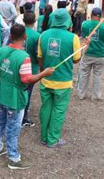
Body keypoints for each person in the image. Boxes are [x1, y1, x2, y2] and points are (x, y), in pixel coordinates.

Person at [0, 24, 54, 170]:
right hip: (15, 98)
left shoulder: (1, 50)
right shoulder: (24, 57)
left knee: (0, 121)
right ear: (25, 37)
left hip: (1, 93)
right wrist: (43, 74)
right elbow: (27, 80)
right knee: (13, 128)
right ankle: (13, 158)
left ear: (10, 36)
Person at [38, 9, 81, 148]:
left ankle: (44, 137)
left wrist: (42, 72)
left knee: (45, 108)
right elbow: (76, 60)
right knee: (58, 111)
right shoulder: (73, 38)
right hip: (63, 82)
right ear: (67, 21)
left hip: (45, 79)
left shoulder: (43, 35)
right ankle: (52, 139)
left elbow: (40, 57)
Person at [78, 7, 104, 100]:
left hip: (88, 53)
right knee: (97, 76)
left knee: (84, 74)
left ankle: (81, 94)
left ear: (91, 14)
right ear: (100, 16)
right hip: (100, 55)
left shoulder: (85, 24)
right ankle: (95, 96)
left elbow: (83, 37)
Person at [22, 12, 40, 127]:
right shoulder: (37, 35)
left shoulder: (18, 31)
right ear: (34, 21)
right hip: (31, 67)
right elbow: (38, 54)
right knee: (27, 93)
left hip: (17, 65)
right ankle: (23, 117)